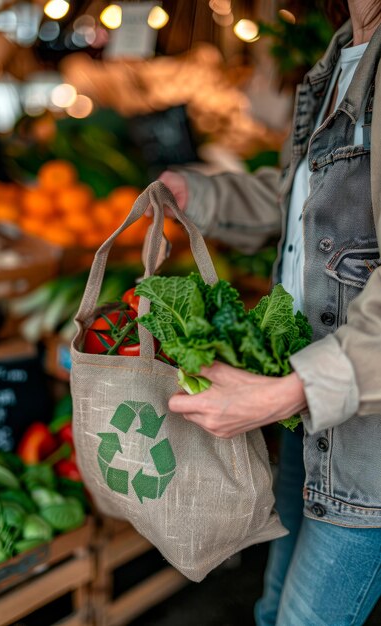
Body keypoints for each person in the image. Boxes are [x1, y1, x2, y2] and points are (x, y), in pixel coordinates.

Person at [153, 1, 381, 624]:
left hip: (368, 451)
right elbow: (308, 209)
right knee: (271, 609)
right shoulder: (341, 53)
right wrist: (203, 193)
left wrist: (288, 393)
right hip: (309, 421)